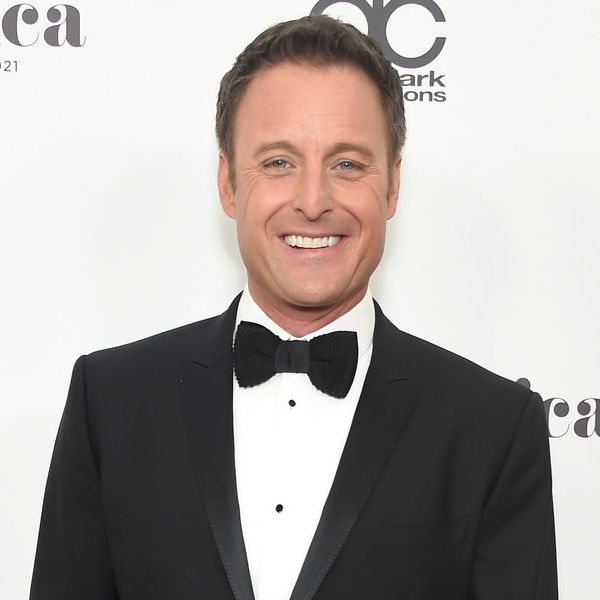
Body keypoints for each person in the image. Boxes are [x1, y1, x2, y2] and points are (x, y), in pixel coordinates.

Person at [30, 15, 558, 600]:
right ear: (228, 184)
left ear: (392, 186)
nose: (312, 201)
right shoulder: (110, 402)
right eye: (279, 162)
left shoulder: (494, 428)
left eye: (347, 164)